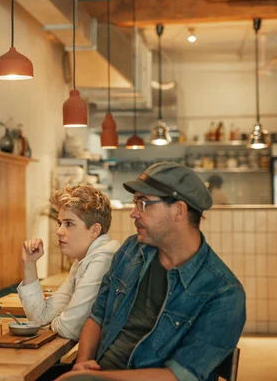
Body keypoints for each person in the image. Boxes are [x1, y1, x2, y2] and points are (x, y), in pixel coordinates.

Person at [59, 162, 246, 381]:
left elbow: (179, 376)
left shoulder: (223, 293)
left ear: (179, 210)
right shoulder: (131, 250)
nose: (133, 213)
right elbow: (97, 316)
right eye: (135, 202)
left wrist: (95, 379)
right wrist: (81, 367)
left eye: (144, 203)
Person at [18, 185, 120, 341]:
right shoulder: (84, 259)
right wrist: (29, 264)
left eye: (69, 224)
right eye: (60, 223)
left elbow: (69, 329)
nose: (59, 231)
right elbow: (39, 317)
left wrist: (53, 323)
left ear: (94, 230)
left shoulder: (104, 257)